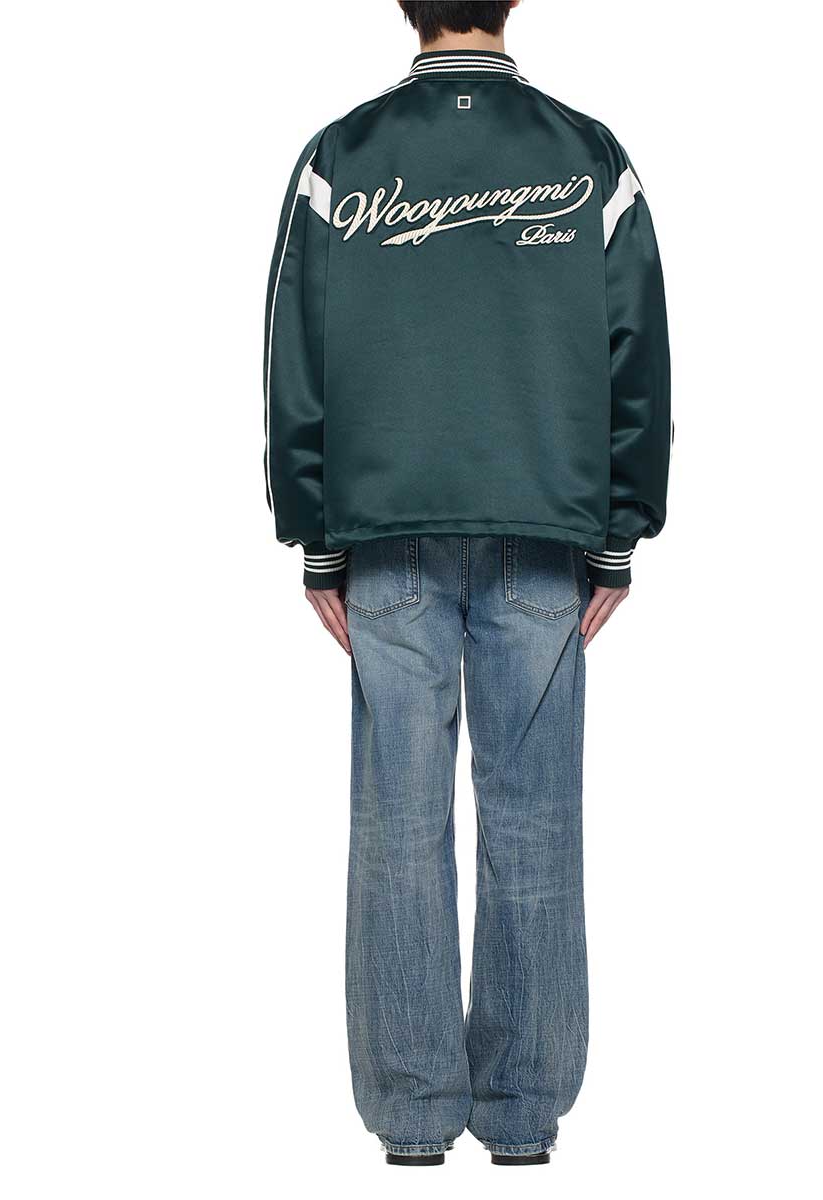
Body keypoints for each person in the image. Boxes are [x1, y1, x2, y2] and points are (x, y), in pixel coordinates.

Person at [263, 0, 671, 1166]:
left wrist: (315, 534)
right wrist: (619, 534)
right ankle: (524, 1118)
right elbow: (638, 352)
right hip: (543, 530)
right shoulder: (590, 158)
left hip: (385, 532)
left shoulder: (340, 159)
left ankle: (411, 1120)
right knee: (534, 820)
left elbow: (296, 357)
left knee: (397, 823)